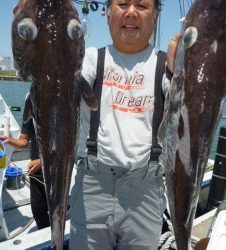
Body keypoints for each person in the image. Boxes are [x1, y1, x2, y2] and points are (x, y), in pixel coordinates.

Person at [69, 0, 179, 249]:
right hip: (92, 186)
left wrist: (179, 72)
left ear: (156, 16)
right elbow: (58, 83)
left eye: (142, 5)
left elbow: (186, 116)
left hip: (146, 192)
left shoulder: (167, 67)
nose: (131, 12)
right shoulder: (88, 59)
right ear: (108, 14)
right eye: (122, 4)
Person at [0, 94, 50, 230]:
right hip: (36, 172)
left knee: (55, 208)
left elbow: (64, 147)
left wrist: (42, 161)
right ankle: (44, 235)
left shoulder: (56, 116)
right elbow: (23, 140)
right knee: (38, 209)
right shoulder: (29, 115)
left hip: (54, 171)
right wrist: (9, 140)